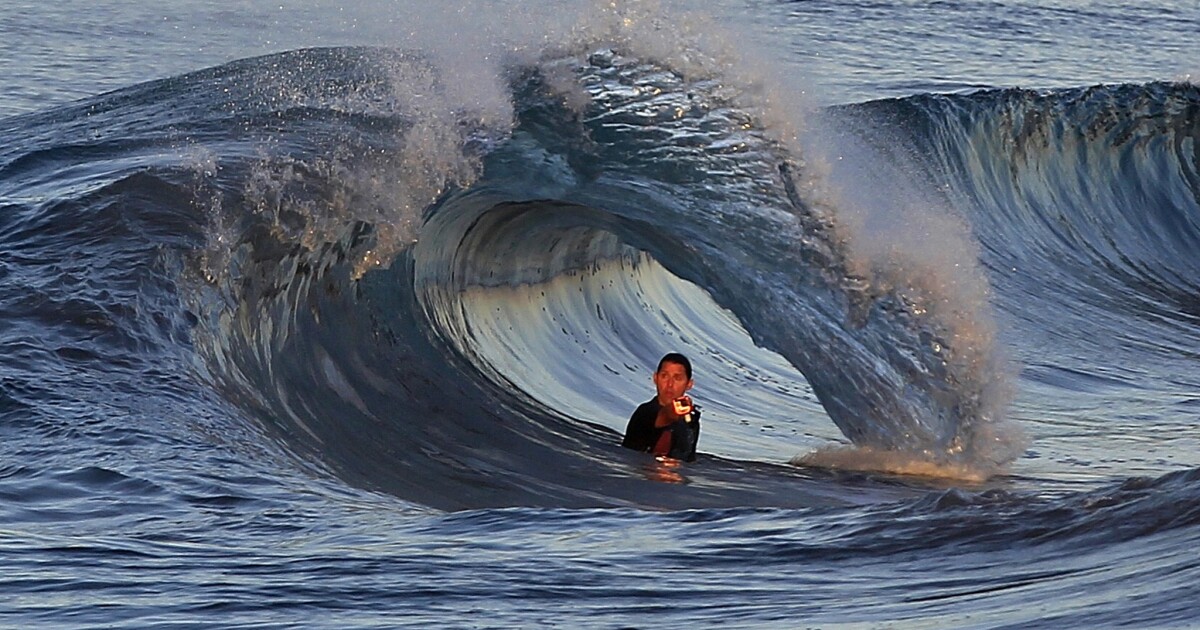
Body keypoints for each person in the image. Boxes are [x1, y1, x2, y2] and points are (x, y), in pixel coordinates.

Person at [621, 352, 701, 462]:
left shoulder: (690, 420)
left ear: (689, 384)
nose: (670, 384)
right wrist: (674, 411)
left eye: (677, 378)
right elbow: (664, 415)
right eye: (664, 376)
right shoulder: (645, 412)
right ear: (655, 378)